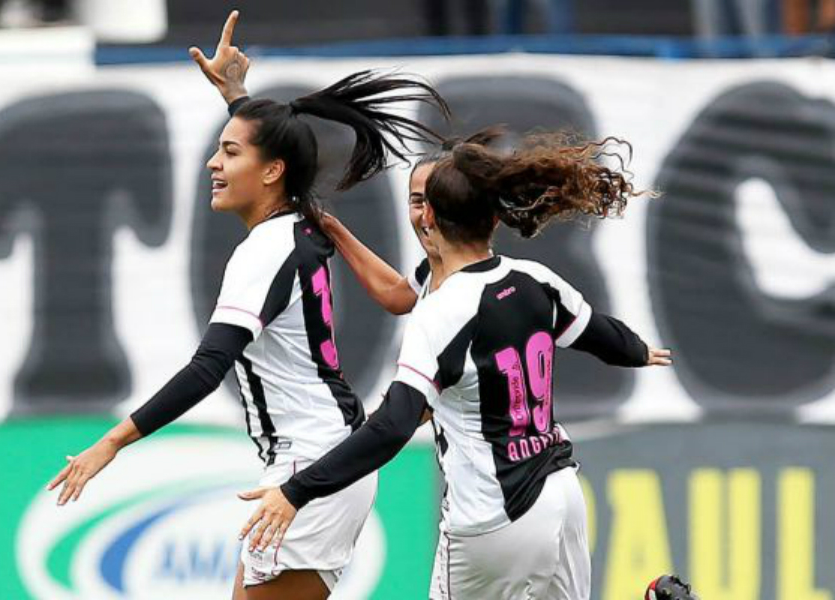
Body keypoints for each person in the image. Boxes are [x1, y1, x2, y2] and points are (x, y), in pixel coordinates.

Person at [47, 11, 449, 600]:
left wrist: (112, 442)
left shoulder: (266, 250)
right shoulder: (300, 224)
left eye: (228, 153)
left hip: (311, 464)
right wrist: (238, 96)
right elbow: (283, 155)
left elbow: (207, 369)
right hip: (321, 460)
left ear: (272, 172)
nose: (213, 164)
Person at [239, 130, 672, 599]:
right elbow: (600, 335)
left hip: (491, 513)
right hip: (560, 494)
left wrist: (296, 491)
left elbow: (392, 426)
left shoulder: (442, 312)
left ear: (433, 217)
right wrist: (637, 350)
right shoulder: (534, 279)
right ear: (493, 216)